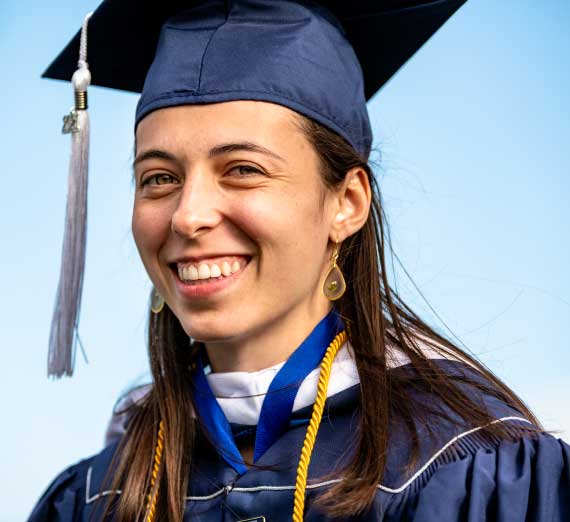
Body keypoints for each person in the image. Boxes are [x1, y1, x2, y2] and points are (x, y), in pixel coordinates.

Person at [29, 1, 570, 521]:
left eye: (243, 169)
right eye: (159, 178)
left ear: (347, 203)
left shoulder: (462, 468)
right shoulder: (96, 494)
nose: (187, 217)